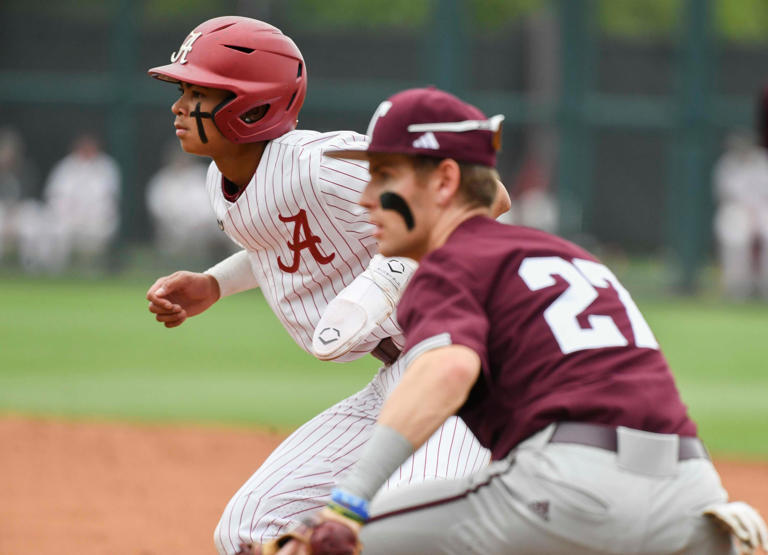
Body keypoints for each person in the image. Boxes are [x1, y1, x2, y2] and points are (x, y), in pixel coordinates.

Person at [259, 87, 767, 555]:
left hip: (570, 486)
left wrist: (348, 505)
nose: (367, 199)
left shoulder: (448, 264)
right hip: (693, 498)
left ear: (445, 181)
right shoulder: (570, 256)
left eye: (385, 177)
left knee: (321, 548)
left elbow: (448, 370)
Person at [144, 17, 511, 555]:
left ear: (249, 104)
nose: (179, 105)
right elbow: (288, 242)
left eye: (197, 91)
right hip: (399, 374)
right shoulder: (224, 185)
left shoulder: (321, 163)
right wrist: (214, 284)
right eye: (182, 89)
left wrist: (390, 274)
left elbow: (488, 197)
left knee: (411, 535)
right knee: (246, 530)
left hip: (464, 367)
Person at [145, 141, 234, 266]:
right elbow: (159, 212)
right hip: (174, 232)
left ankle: (222, 268)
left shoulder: (201, 175)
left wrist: (202, 224)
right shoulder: (161, 181)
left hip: (205, 229)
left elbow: (212, 205)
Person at [42, 132, 121, 270]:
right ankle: (55, 271)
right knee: (55, 229)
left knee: (100, 229)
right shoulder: (65, 167)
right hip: (67, 219)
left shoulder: (107, 167)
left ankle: (92, 270)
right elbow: (54, 197)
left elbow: (110, 200)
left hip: (96, 220)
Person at [712, 132, 768, 300]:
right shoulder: (726, 164)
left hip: (763, 207)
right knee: (734, 236)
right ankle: (737, 287)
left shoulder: (762, 161)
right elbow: (724, 194)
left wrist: (756, 209)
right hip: (737, 209)